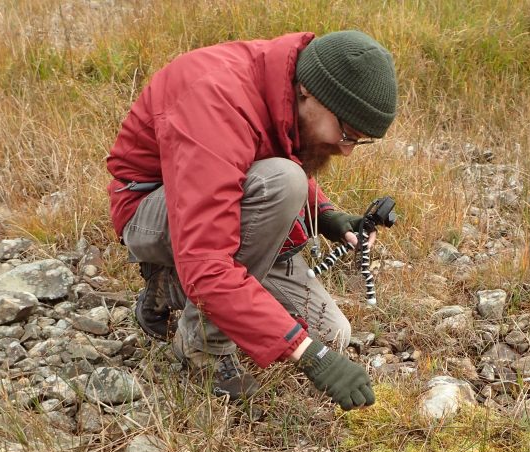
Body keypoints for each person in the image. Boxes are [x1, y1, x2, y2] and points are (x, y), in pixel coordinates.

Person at [105, 30, 397, 409]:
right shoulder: (216, 100)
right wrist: (309, 356)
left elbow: (264, 152)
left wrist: (329, 216)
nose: (347, 150)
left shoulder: (285, 87)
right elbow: (208, 263)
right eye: (346, 134)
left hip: (218, 205)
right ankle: (201, 350)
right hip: (151, 211)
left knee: (334, 333)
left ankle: (166, 290)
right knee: (284, 183)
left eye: (359, 140)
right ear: (308, 91)